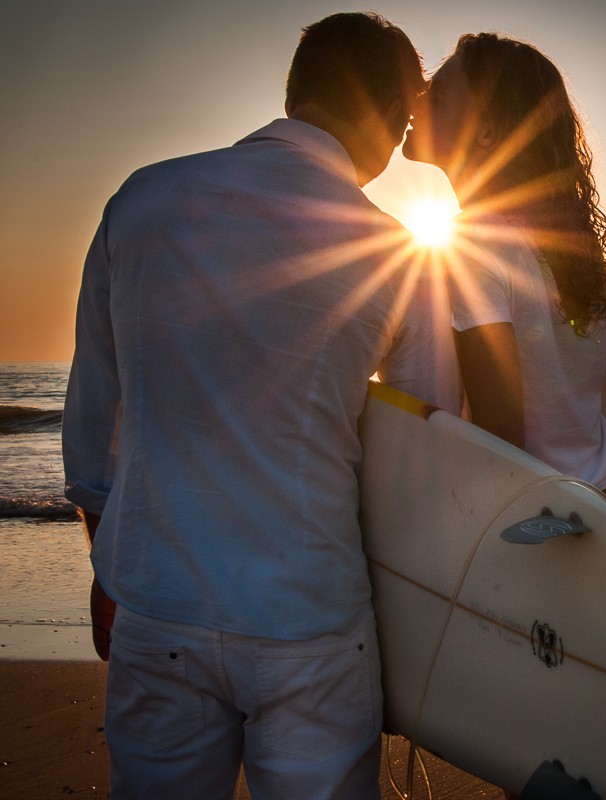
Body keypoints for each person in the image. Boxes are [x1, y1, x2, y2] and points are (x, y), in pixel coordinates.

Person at [61, 12, 456, 799]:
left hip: (158, 603)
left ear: (294, 92)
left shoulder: (140, 202)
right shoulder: (395, 252)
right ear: (388, 115)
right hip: (308, 619)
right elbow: (428, 448)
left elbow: (94, 417)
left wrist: (112, 571)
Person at [403, 33, 606, 544]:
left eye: (436, 97)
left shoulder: (473, 242)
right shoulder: (561, 242)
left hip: (556, 529)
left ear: (485, 133)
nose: (417, 101)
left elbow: (501, 434)